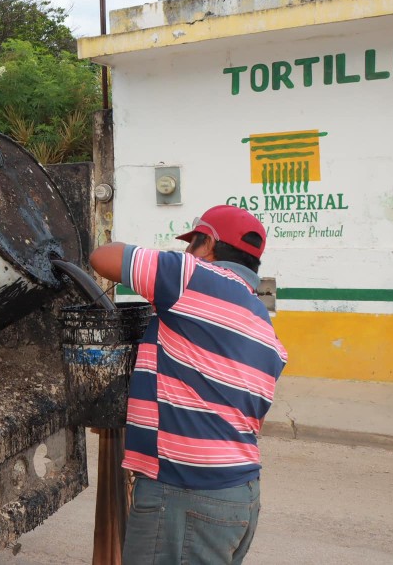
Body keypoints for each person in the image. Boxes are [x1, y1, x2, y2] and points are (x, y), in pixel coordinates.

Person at [88, 204, 287, 564]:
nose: (184, 252)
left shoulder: (191, 276)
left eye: (190, 244)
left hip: (185, 494)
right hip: (238, 497)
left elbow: (103, 257)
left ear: (206, 243)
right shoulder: (264, 327)